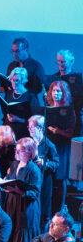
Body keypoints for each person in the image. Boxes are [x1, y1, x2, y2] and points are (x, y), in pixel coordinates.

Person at [1, 137, 42, 242]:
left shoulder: (33, 169)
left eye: (20, 151)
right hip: (13, 202)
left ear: (30, 152)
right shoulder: (14, 164)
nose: (17, 153)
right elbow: (8, 179)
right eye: (16, 150)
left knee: (22, 232)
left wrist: (18, 191)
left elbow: (35, 193)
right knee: (11, 228)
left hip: (26, 206)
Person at [45, 81, 76, 214]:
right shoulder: (47, 109)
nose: (56, 93)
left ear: (64, 93)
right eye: (54, 91)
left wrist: (58, 131)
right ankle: (48, 209)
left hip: (62, 146)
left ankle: (60, 208)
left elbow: (72, 133)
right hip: (49, 145)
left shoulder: (69, 110)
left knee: (60, 176)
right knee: (49, 176)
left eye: (59, 91)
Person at [28, 115, 59, 227]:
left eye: (31, 127)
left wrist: (44, 163)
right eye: (29, 127)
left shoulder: (49, 145)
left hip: (44, 182)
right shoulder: (29, 143)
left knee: (44, 212)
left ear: (40, 128)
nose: (29, 129)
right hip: (31, 182)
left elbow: (56, 164)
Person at [2, 67, 37, 140]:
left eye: (17, 80)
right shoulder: (9, 94)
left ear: (23, 81)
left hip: (23, 132)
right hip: (9, 131)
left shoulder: (30, 96)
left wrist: (19, 119)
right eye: (12, 80)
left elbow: (35, 120)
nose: (14, 83)